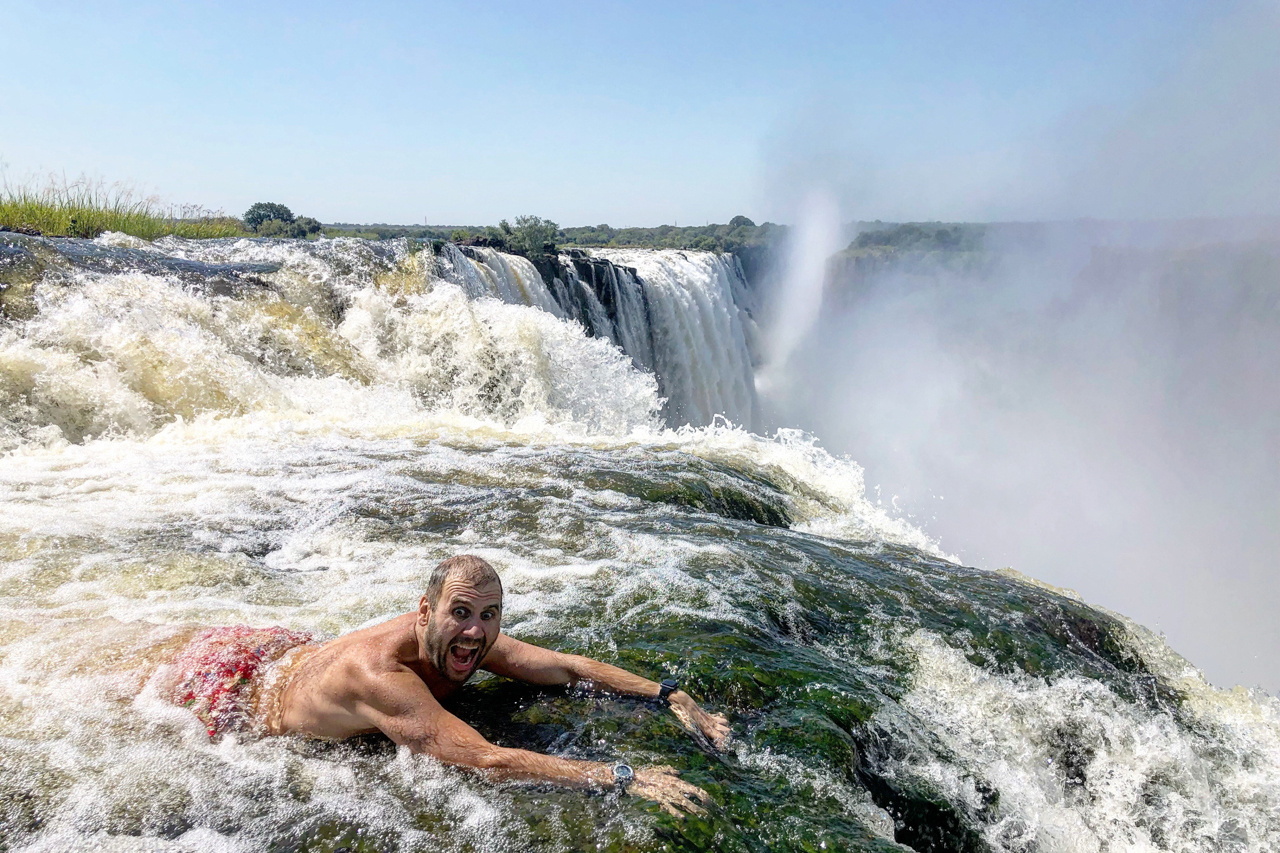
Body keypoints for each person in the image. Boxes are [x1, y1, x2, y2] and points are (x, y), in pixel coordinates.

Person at [166, 555, 730, 816]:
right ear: (424, 611)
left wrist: (669, 695)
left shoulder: (467, 639)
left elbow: (565, 666)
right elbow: (485, 760)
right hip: (234, 697)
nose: (476, 631)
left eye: (490, 615)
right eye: (460, 612)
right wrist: (621, 776)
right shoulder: (383, 677)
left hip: (282, 650)